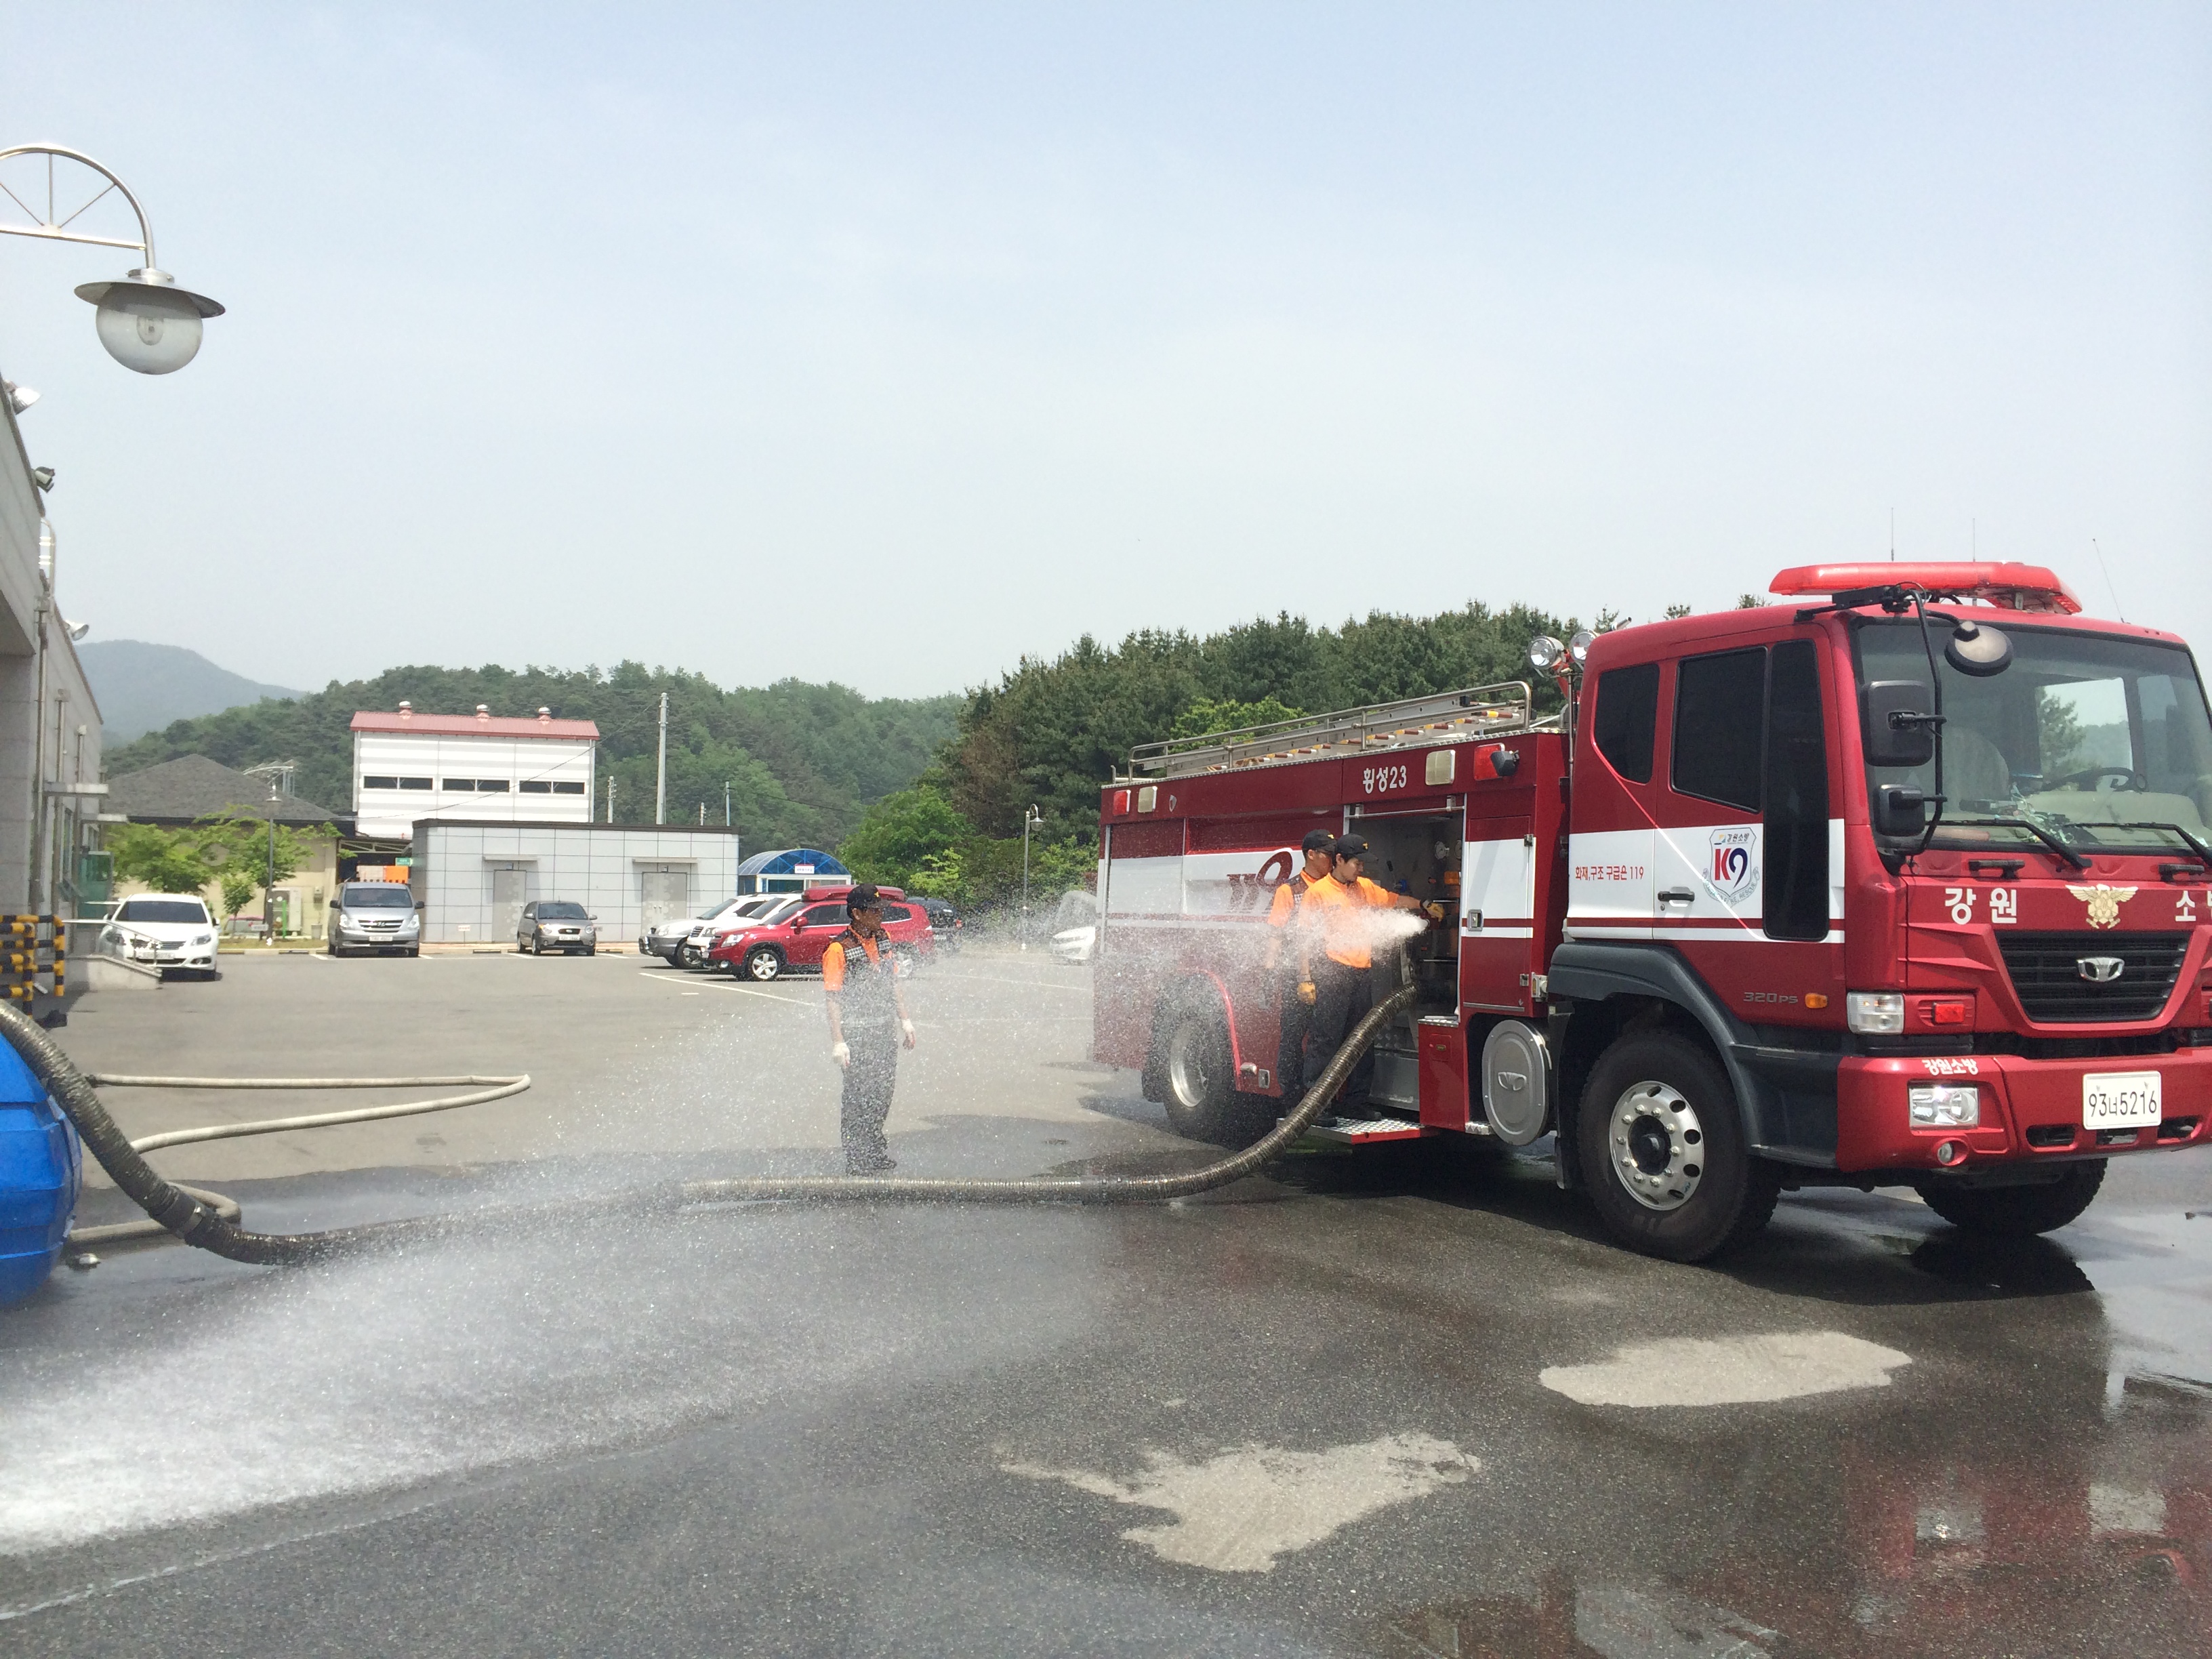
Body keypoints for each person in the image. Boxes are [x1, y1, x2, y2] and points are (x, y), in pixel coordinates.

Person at [1297, 835, 1443, 1113]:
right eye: (1357, 863)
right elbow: (1304, 939)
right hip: (1333, 973)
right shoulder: (1318, 893)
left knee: (1362, 1038)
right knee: (1326, 1040)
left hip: (1361, 975)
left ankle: (1356, 1103)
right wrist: (1305, 978)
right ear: (1339, 860)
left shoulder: (1364, 887)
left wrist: (1422, 904)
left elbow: (1394, 900)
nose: (1361, 869)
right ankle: (1318, 1108)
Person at [823, 884, 917, 1173]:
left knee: (881, 1094)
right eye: (874, 911)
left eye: (880, 911)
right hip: (856, 1036)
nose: (880, 916)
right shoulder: (838, 949)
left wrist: (905, 1021)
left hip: (883, 1032)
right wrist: (838, 1042)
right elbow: (833, 999)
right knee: (858, 1097)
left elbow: (892, 983)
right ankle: (857, 1158)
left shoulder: (883, 939)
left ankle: (874, 1150)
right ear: (857, 913)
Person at [1262, 830, 1337, 1101]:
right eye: (1328, 854)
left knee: (1323, 1038)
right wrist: (1269, 971)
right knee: (1293, 1036)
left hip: (1329, 974)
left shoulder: (1334, 888)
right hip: (1296, 975)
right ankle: (1292, 1097)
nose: (1332, 860)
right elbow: (1275, 933)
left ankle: (1317, 1097)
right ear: (1311, 855)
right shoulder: (1290, 890)